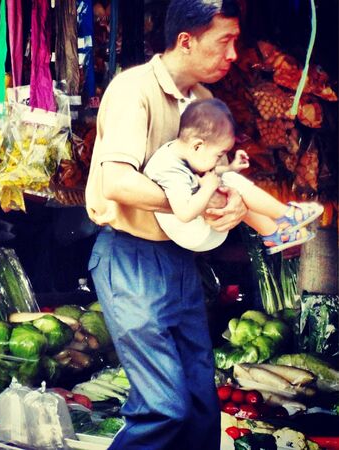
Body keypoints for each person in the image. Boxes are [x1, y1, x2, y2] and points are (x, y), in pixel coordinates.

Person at [85, 1, 244, 449]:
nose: (233, 54)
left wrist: (229, 205)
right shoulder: (132, 90)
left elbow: (215, 178)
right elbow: (117, 182)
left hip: (179, 261)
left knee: (199, 407)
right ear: (186, 41)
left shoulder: (205, 103)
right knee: (163, 407)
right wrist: (191, 202)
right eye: (224, 42)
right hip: (130, 256)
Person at [144, 98, 323, 254]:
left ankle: (275, 233)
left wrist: (230, 167)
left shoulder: (184, 153)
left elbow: (202, 177)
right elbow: (184, 213)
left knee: (228, 180)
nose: (217, 161)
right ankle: (286, 215)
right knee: (228, 182)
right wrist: (208, 187)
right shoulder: (170, 171)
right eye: (218, 155)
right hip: (192, 233)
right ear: (198, 146)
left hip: (203, 225)